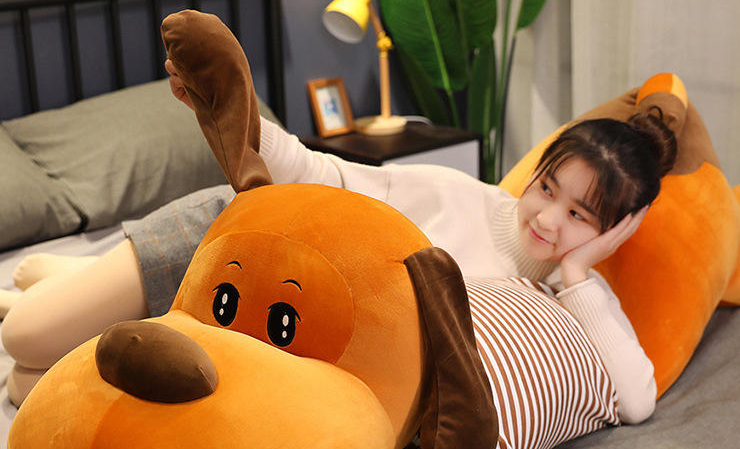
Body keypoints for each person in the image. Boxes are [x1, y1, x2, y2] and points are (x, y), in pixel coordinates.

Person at [1, 53, 675, 420]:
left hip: (259, 320)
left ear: (614, 231)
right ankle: (72, 281)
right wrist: (241, 120)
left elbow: (638, 399)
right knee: (24, 339)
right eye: (548, 188)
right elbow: (325, 176)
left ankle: (75, 282)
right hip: (239, 240)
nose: (549, 219)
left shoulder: (571, 301)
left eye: (581, 216)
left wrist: (579, 273)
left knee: (29, 391)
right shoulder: (457, 196)